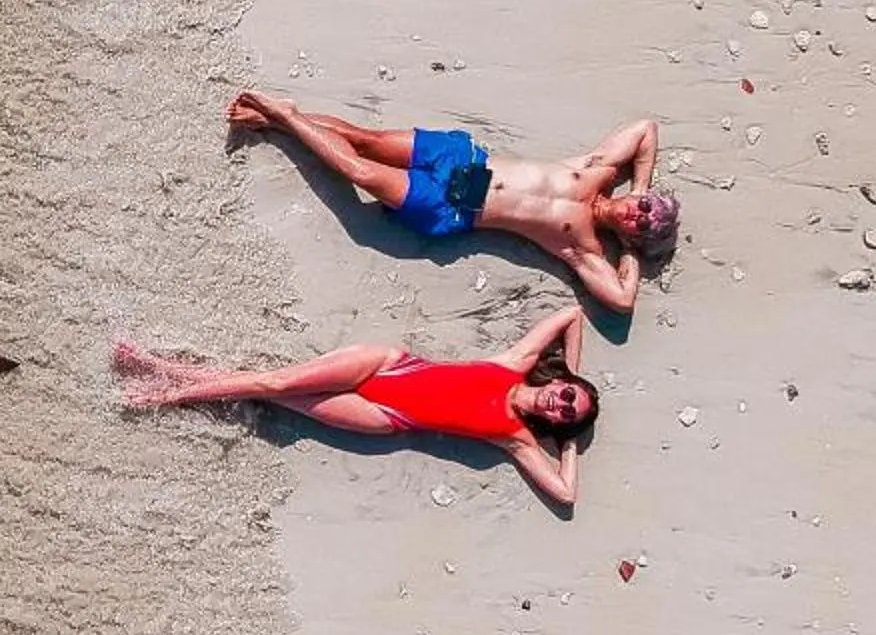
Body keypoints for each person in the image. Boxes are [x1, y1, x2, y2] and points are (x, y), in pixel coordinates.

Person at [226, 88, 678, 312]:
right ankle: (278, 122)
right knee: (363, 139)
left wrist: (635, 253)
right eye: (646, 204)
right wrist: (639, 187)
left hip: (456, 208)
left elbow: (620, 299)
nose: (638, 210)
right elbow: (645, 130)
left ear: (632, 234)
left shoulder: (582, 246)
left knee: (358, 172)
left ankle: (284, 114)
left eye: (643, 220)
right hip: (466, 161)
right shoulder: (597, 169)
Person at [113, 304, 599, 508]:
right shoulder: (517, 361)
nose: (560, 405)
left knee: (264, 390)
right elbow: (572, 316)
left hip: (385, 418)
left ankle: (162, 378)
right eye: (569, 396)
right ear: (565, 383)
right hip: (387, 367)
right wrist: (572, 373)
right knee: (274, 380)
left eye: (565, 415)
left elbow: (565, 493)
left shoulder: (515, 437)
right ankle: (163, 386)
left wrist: (570, 443)